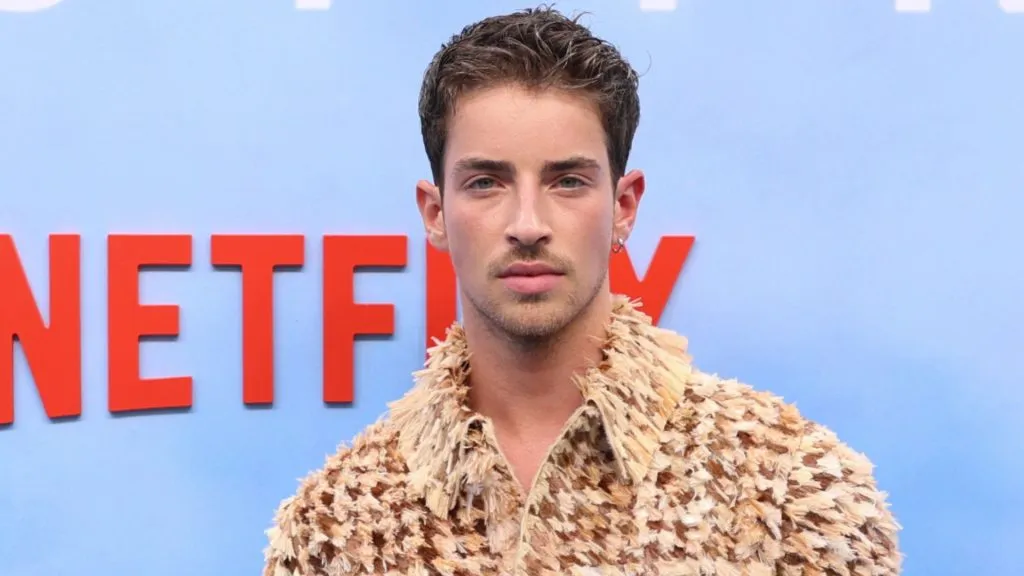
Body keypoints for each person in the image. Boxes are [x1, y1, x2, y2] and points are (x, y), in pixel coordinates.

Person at [261, 7, 902, 575]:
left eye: (568, 181)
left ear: (624, 206)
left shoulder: (787, 487)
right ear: (434, 213)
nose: (528, 226)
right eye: (486, 182)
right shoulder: (336, 527)